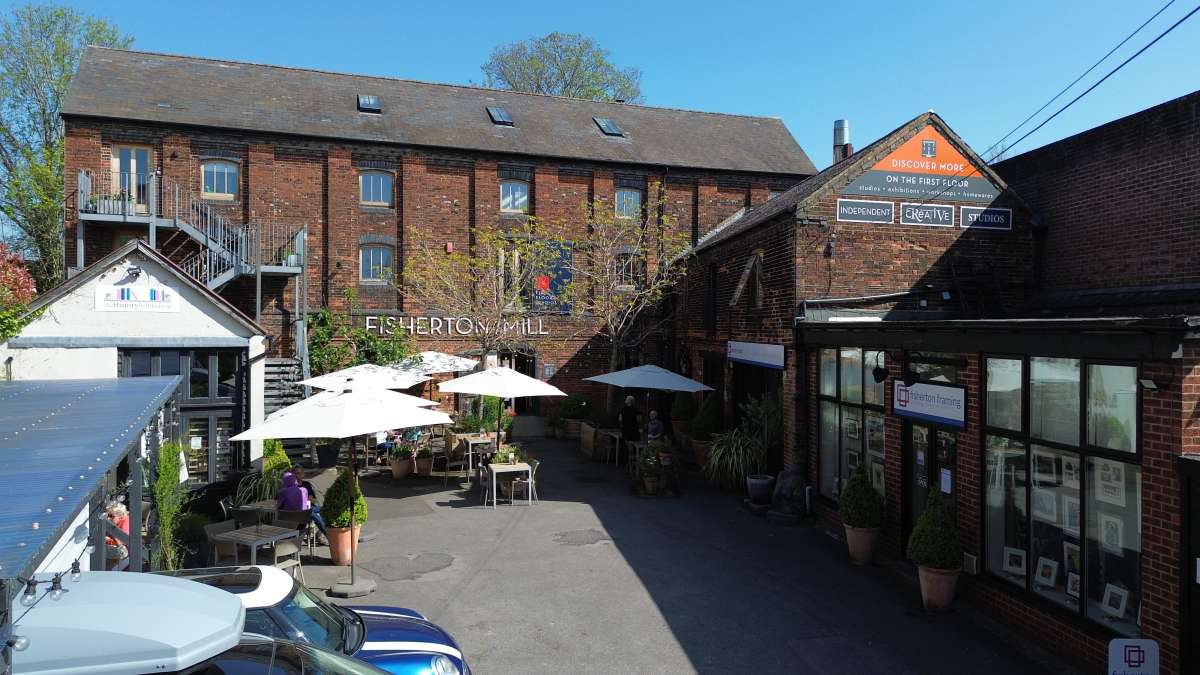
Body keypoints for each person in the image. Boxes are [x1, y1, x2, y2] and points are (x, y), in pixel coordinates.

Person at [291, 465, 329, 544]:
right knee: (313, 514)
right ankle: (328, 536)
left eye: (301, 473)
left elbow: (311, 498)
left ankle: (321, 534)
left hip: (309, 506)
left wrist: (307, 500)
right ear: (293, 474)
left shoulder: (306, 484)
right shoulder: (291, 486)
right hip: (299, 510)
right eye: (297, 473)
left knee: (326, 510)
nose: (300, 475)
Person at [619, 395, 641, 466]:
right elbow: (639, 420)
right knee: (634, 447)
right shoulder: (635, 409)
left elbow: (620, 419)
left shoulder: (623, 409)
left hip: (625, 430)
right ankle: (633, 462)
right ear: (633, 401)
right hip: (633, 431)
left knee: (628, 446)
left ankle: (628, 462)